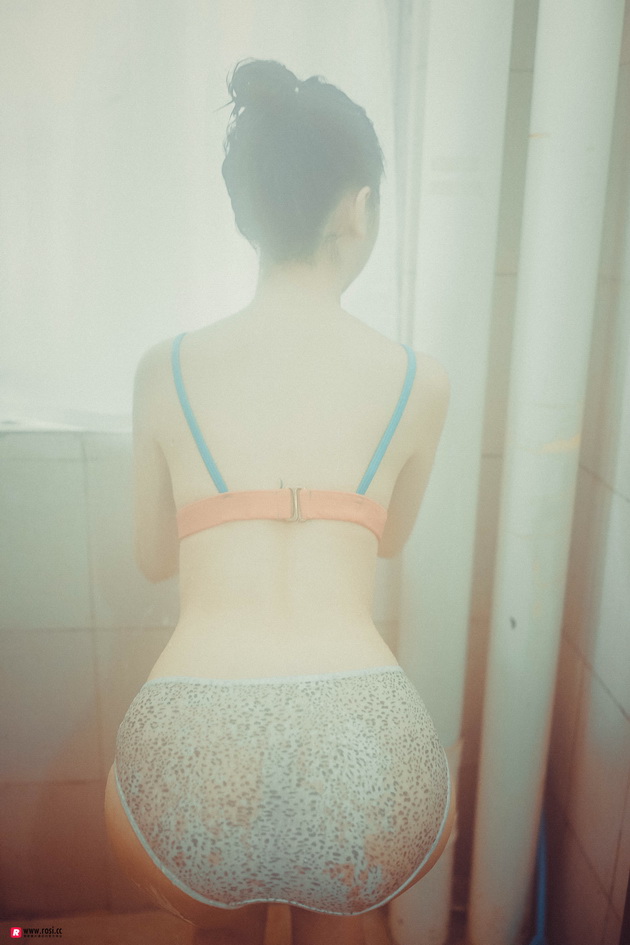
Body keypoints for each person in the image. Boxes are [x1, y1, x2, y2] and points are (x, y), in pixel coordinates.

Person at [104, 58, 454, 945]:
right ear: (358, 207)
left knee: (218, 918)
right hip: (364, 738)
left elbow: (152, 556)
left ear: (247, 213)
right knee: (342, 917)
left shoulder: (163, 368)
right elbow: (388, 540)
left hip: (195, 742)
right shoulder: (420, 380)